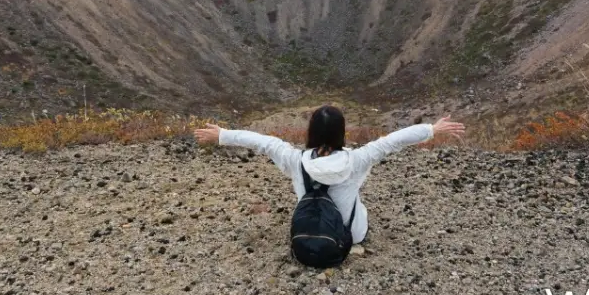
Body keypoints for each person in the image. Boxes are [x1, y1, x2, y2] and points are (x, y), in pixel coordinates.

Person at [193, 105, 466, 245]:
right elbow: (393, 140)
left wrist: (223, 135)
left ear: (311, 132)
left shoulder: (294, 159)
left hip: (305, 234)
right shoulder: (358, 160)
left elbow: (262, 141)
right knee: (358, 204)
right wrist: (432, 129)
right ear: (341, 132)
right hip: (349, 236)